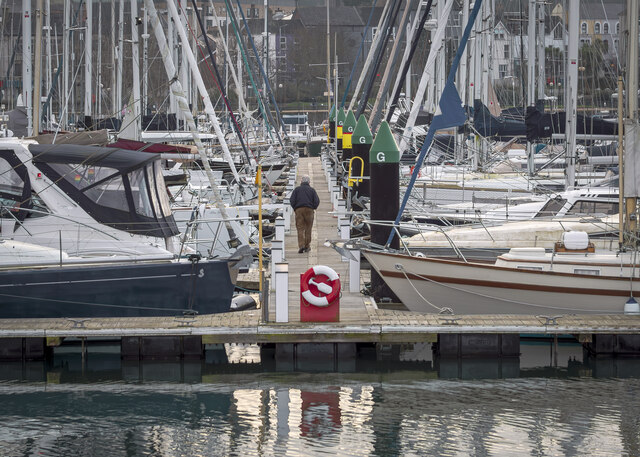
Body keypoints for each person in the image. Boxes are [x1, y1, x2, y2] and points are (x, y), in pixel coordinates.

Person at [289, 175, 320, 253]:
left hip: (299, 210)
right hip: (309, 210)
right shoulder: (312, 190)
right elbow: (317, 201)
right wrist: (313, 207)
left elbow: (292, 200)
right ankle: (307, 246)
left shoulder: (296, 190)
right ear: (309, 182)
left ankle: (301, 246)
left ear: (301, 181)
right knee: (308, 229)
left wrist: (295, 208)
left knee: (300, 229)